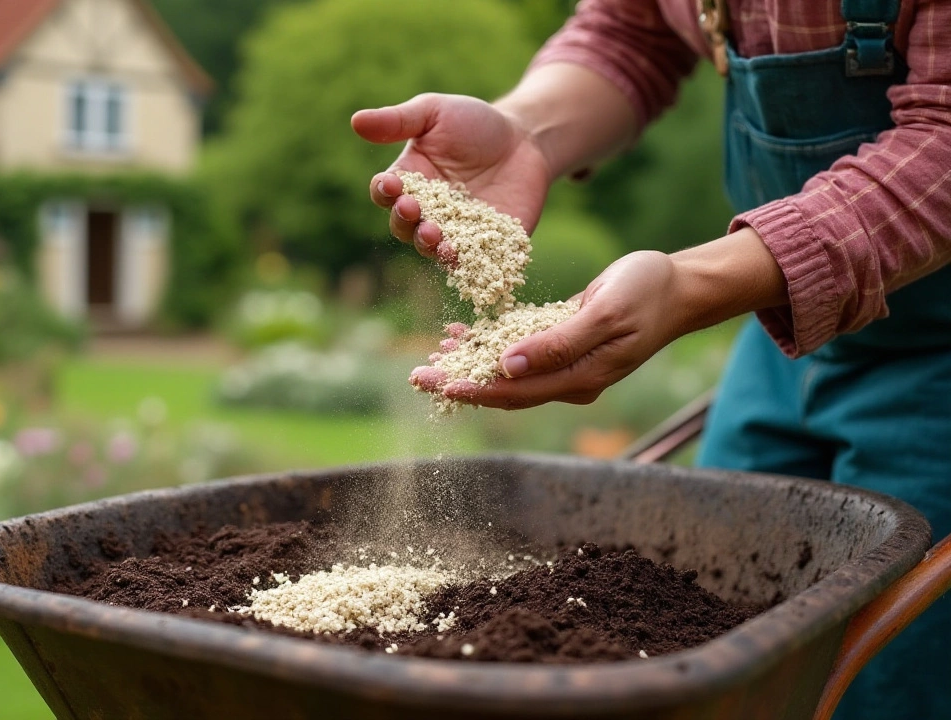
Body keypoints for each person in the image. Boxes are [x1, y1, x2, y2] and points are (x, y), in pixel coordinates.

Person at [351, 1, 950, 717]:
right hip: (785, 333)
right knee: (716, 616)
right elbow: (629, 29)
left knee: (882, 685)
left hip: (937, 359)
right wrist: (527, 133)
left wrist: (690, 286)